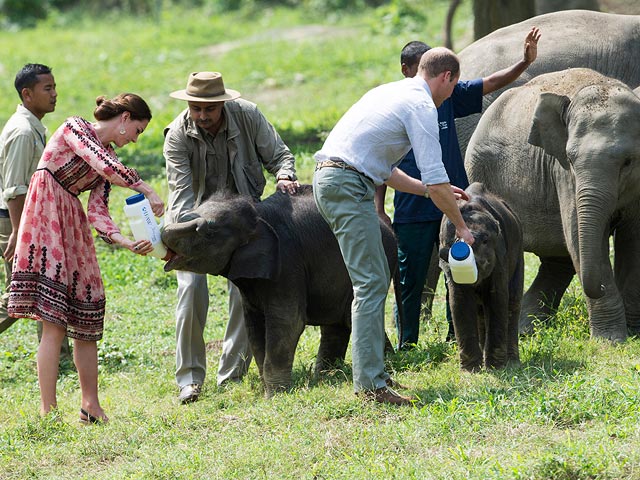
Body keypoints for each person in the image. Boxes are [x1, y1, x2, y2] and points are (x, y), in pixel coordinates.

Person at [313, 47, 474, 406]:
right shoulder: (421, 106)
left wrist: (430, 191)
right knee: (370, 283)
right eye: (453, 85)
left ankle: (373, 372)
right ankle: (371, 385)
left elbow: (385, 170)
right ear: (446, 76)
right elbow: (435, 177)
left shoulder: (389, 92)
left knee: (370, 279)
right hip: (346, 184)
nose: (451, 95)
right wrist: (461, 226)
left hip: (338, 181)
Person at [375, 27, 541, 350]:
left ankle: (459, 338)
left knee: (461, 271)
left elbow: (490, 83)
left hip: (455, 207)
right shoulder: (398, 104)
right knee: (409, 280)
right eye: (416, 69)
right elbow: (381, 163)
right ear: (406, 70)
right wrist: (379, 207)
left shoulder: (448, 96)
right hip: (412, 208)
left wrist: (523, 63)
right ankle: (408, 341)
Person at [7, 93, 164, 423]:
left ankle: (89, 405)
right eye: (137, 130)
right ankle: (48, 411)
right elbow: (102, 164)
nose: (135, 139)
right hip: (46, 208)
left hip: (71, 219)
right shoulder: (75, 129)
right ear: (123, 118)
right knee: (54, 322)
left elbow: (98, 210)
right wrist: (146, 188)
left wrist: (123, 241)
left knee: (87, 309)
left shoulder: (110, 156)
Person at [164, 71, 299, 404]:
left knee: (246, 292)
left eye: (209, 109)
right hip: (195, 225)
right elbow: (180, 196)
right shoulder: (176, 136)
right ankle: (190, 379)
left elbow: (281, 156)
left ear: (223, 103)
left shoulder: (248, 116)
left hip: (241, 224)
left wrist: (284, 175)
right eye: (196, 109)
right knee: (191, 290)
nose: (202, 116)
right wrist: (183, 236)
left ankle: (231, 374)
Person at [0, 64, 57, 335]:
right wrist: (18, 231)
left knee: (46, 287)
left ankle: (59, 357)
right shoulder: (23, 132)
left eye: (54, 87)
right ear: (27, 94)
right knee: (19, 294)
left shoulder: (32, 126)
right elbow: (14, 188)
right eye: (47, 88)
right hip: (13, 221)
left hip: (24, 219)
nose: (55, 94)